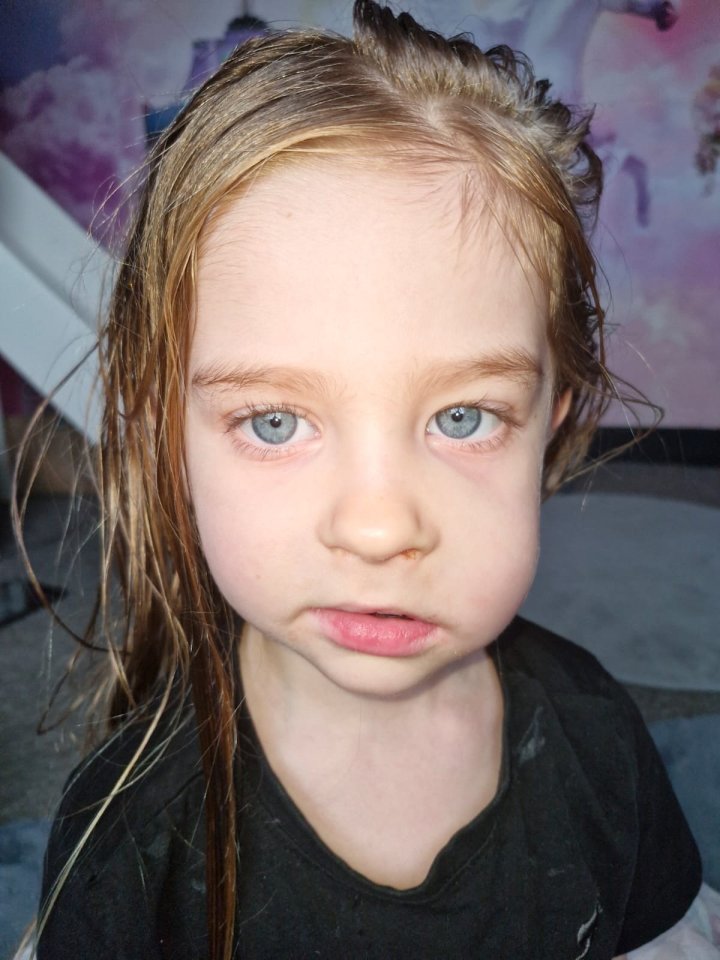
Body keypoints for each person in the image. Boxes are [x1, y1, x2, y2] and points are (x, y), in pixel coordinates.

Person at [23, 2, 714, 958]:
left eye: (462, 418)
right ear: (167, 433)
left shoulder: (596, 732)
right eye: (275, 422)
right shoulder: (131, 837)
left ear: (550, 423)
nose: (382, 528)